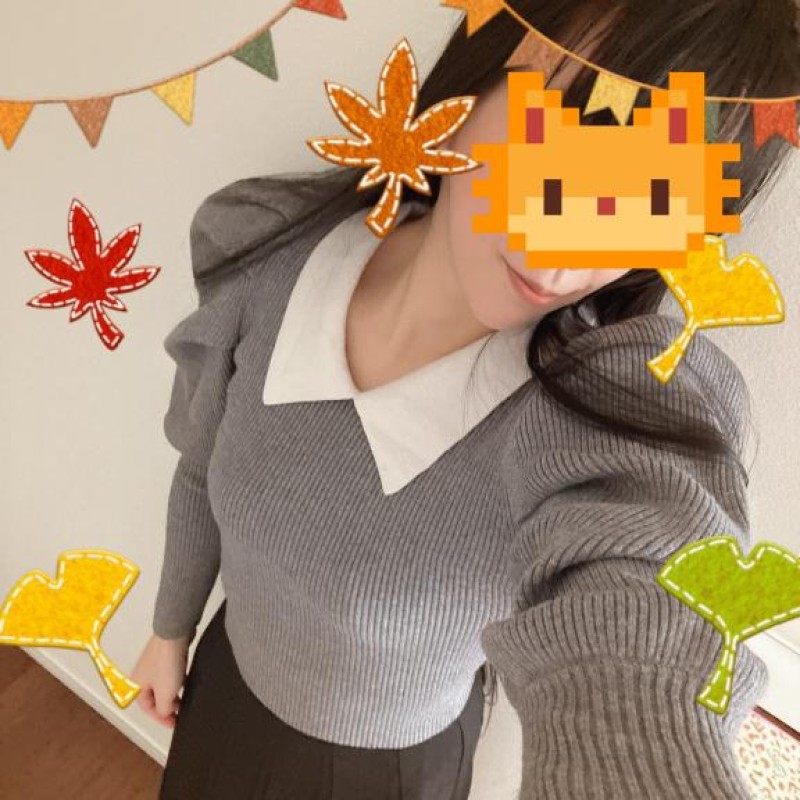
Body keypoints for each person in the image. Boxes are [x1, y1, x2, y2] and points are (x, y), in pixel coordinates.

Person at [131, 1, 799, 798]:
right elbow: (200, 465)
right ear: (475, 79)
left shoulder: (600, 425)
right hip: (225, 686)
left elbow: (650, 604)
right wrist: (169, 628)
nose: (563, 257)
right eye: (560, 147)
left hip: (388, 773)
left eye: (655, 202)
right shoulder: (263, 251)